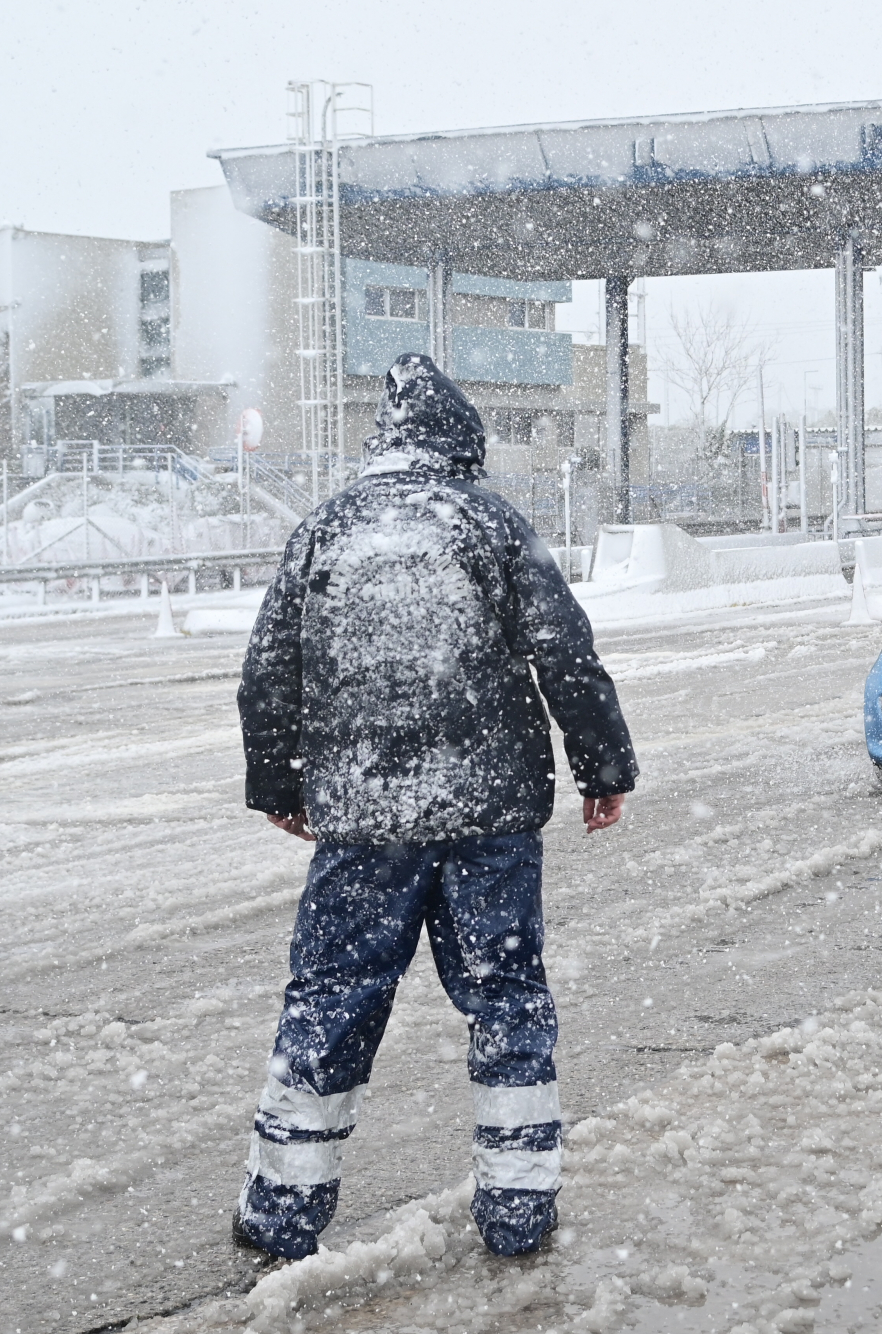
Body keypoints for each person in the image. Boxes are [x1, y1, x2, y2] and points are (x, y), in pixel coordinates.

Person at [233, 353, 637, 1260]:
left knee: (330, 1004)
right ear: (462, 446)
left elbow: (268, 670)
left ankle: (281, 1214)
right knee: (507, 1006)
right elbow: (565, 653)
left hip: (363, 825)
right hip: (490, 822)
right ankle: (519, 1210)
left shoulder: (323, 531)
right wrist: (602, 766)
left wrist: (279, 784)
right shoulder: (489, 522)